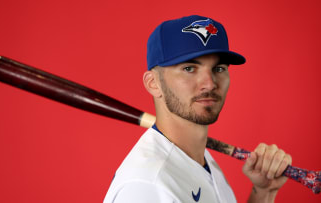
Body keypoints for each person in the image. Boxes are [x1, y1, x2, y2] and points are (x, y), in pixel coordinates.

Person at [104, 15, 292, 203]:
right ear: (153, 83)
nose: (209, 84)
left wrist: (263, 192)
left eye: (218, 69)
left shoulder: (200, 159)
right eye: (189, 69)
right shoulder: (147, 187)